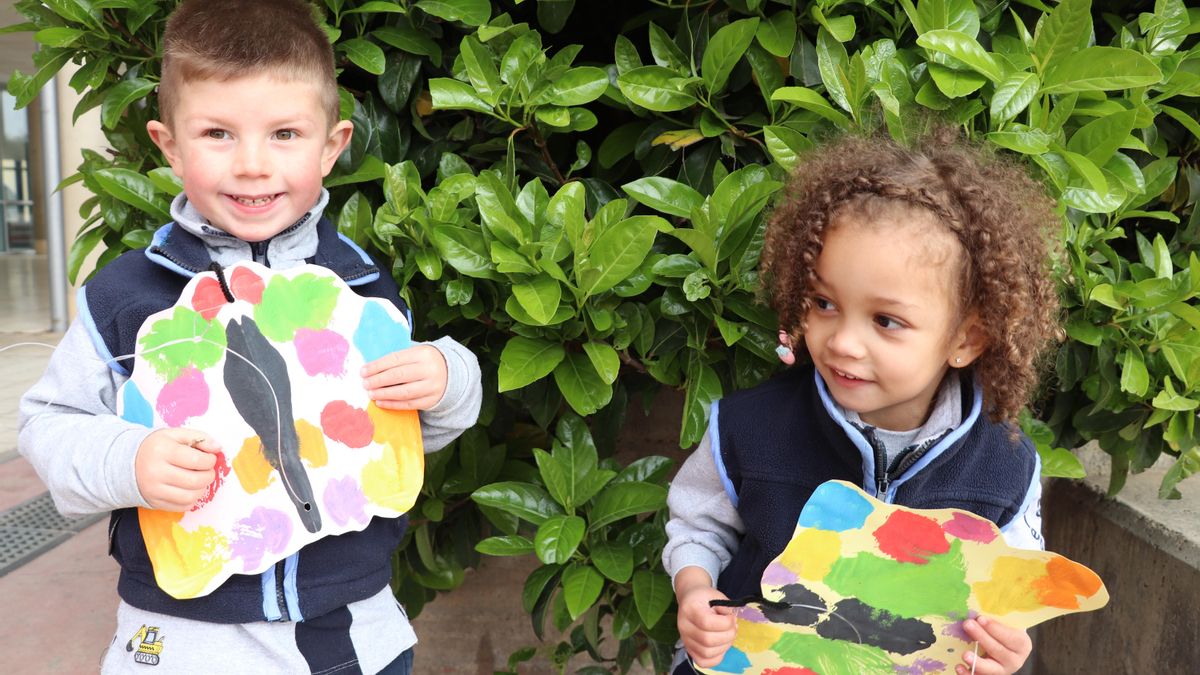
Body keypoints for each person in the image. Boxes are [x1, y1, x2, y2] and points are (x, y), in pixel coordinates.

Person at [17, 1, 481, 673]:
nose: (253, 165)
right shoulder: (124, 299)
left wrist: (446, 378)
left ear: (332, 145)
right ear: (169, 143)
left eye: (285, 133)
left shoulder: (360, 290)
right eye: (218, 133)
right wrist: (130, 459)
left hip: (350, 632)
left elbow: (406, 434)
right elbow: (48, 423)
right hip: (181, 637)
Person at [662, 129, 1060, 675]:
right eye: (824, 302)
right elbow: (697, 525)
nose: (843, 342)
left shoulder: (1005, 468)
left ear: (966, 339)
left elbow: (1011, 593)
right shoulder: (749, 428)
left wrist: (1004, 649)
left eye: (886, 320)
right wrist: (695, 589)